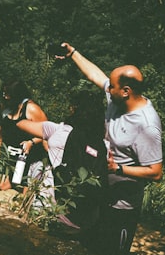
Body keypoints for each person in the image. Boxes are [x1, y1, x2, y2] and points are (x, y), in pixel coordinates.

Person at [56, 43, 163, 255]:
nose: (107, 89)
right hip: (100, 196)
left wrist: (119, 169)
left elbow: (155, 172)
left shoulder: (147, 126)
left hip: (122, 208)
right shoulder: (117, 99)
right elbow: (96, 75)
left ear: (126, 91)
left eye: (111, 86)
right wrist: (73, 54)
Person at [12, 91, 108, 228]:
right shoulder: (102, 144)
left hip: (53, 211)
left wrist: (21, 110)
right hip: (86, 219)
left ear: (74, 109)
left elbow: (21, 124)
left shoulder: (59, 131)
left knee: (39, 165)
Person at [0, 79, 48, 191]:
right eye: (4, 93)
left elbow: (46, 133)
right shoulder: (7, 107)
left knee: (23, 188)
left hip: (27, 157)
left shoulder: (31, 109)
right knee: (1, 186)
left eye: (8, 94)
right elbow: (1, 132)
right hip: (9, 155)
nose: (5, 97)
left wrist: (31, 142)